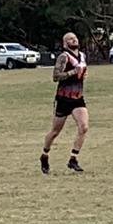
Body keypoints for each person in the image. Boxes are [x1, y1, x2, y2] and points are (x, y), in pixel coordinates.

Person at [40, 32, 88, 174]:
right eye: (70, 39)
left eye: (75, 38)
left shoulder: (83, 56)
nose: (74, 40)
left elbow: (82, 72)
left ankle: (73, 158)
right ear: (65, 43)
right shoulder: (64, 57)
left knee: (84, 127)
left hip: (77, 97)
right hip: (63, 98)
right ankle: (44, 155)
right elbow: (56, 76)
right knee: (55, 131)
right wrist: (73, 72)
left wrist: (83, 75)